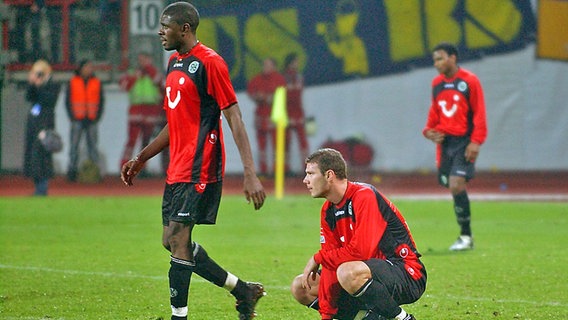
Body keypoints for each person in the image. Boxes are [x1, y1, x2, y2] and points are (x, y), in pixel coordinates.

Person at [120, 2, 267, 320]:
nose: (160, 31)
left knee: (178, 238)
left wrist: (250, 173)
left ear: (184, 28)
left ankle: (179, 316)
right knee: (170, 242)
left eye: (166, 25)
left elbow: (235, 117)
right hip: (177, 167)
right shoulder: (174, 64)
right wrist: (141, 157)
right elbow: (174, 124)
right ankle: (243, 290)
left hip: (201, 164)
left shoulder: (210, 63)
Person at [290, 148, 426, 320]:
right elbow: (332, 265)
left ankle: (402, 318)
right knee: (302, 287)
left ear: (329, 175)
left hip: (406, 273)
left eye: (310, 173)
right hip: (363, 275)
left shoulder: (364, 196)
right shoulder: (328, 211)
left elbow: (361, 252)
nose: (305, 180)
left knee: (348, 272)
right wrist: (326, 316)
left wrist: (318, 258)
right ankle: (369, 317)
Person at [422, 42, 488, 251]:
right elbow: (435, 114)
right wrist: (429, 131)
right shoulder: (436, 84)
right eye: (434, 60)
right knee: (449, 184)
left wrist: (476, 141)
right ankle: (465, 236)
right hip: (446, 145)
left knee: (456, 184)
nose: (436, 63)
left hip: (464, 142)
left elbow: (479, 113)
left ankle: (466, 237)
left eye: (440, 58)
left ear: (453, 57)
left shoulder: (469, 81)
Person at [119, 52, 165, 174]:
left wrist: (149, 70)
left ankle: (142, 169)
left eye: (145, 60)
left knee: (146, 142)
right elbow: (124, 86)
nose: (142, 63)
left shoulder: (154, 72)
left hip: (150, 111)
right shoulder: (132, 73)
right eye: (141, 60)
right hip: (136, 110)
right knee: (131, 141)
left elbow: (162, 85)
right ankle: (124, 166)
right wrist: (135, 76)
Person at [23, 59, 61, 195]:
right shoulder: (36, 85)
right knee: (33, 157)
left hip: (45, 123)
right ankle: (38, 188)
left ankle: (42, 188)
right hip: (33, 124)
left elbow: (49, 101)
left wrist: (39, 86)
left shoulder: (53, 84)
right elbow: (29, 97)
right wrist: (32, 84)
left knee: (43, 156)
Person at [64, 60, 104, 182]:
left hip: (91, 119)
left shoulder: (96, 82)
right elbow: (68, 101)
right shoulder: (73, 82)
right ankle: (72, 171)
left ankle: (95, 172)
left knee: (93, 147)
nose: (88, 70)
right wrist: (72, 117)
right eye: (86, 67)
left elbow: (101, 101)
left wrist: (97, 117)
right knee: (74, 147)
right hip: (77, 118)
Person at [246, 57, 287, 176]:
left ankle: (277, 171)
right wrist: (258, 97)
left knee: (277, 145)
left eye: (268, 65)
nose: (265, 67)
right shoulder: (257, 79)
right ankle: (263, 170)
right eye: (264, 65)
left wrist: (266, 98)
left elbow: (282, 96)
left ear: (273, 66)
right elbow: (251, 93)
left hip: (274, 116)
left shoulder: (279, 79)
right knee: (262, 146)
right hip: (261, 115)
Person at [282, 53, 309, 175]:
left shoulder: (298, 76)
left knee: (301, 141)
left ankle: (306, 167)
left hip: (297, 111)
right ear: (290, 62)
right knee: (285, 142)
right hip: (287, 112)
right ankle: (285, 168)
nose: (297, 64)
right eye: (296, 61)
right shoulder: (284, 77)